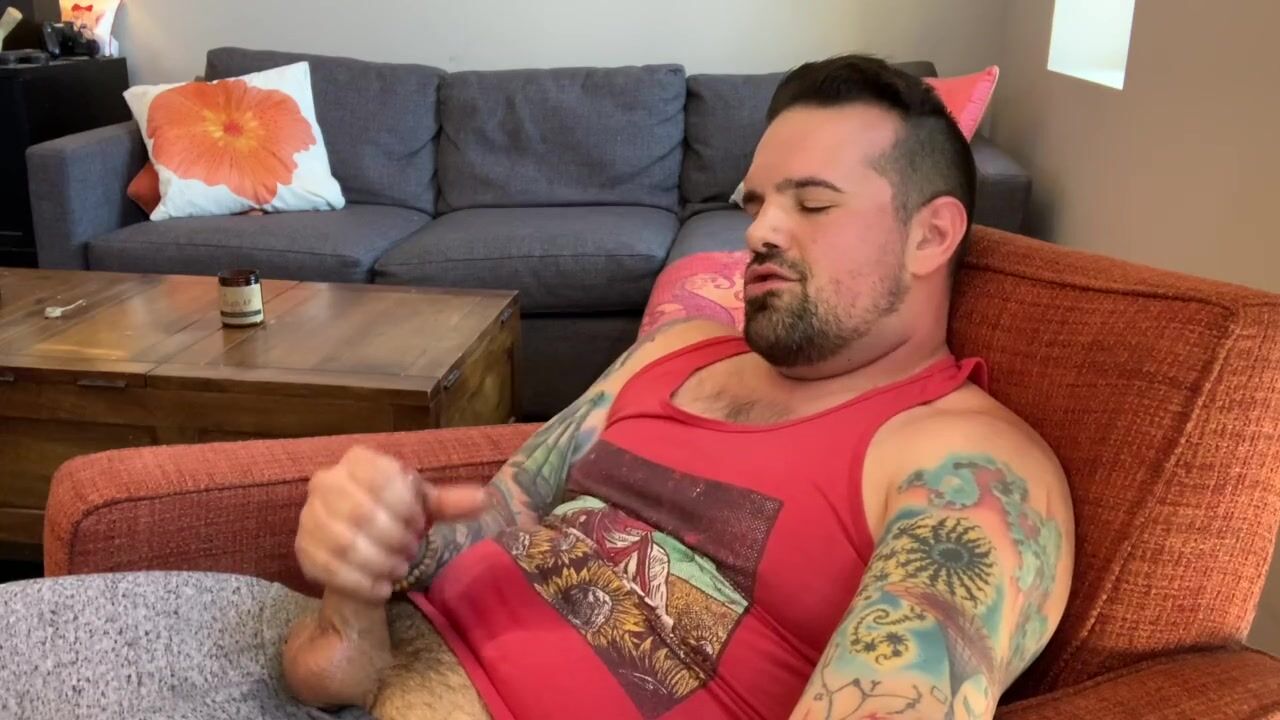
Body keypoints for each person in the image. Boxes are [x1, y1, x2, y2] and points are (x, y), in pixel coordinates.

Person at [0, 54, 1073, 720]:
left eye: (813, 203)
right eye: (755, 203)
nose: (757, 232)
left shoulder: (965, 474)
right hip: (324, 665)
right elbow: (501, 519)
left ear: (931, 234)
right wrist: (375, 549)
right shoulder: (672, 354)